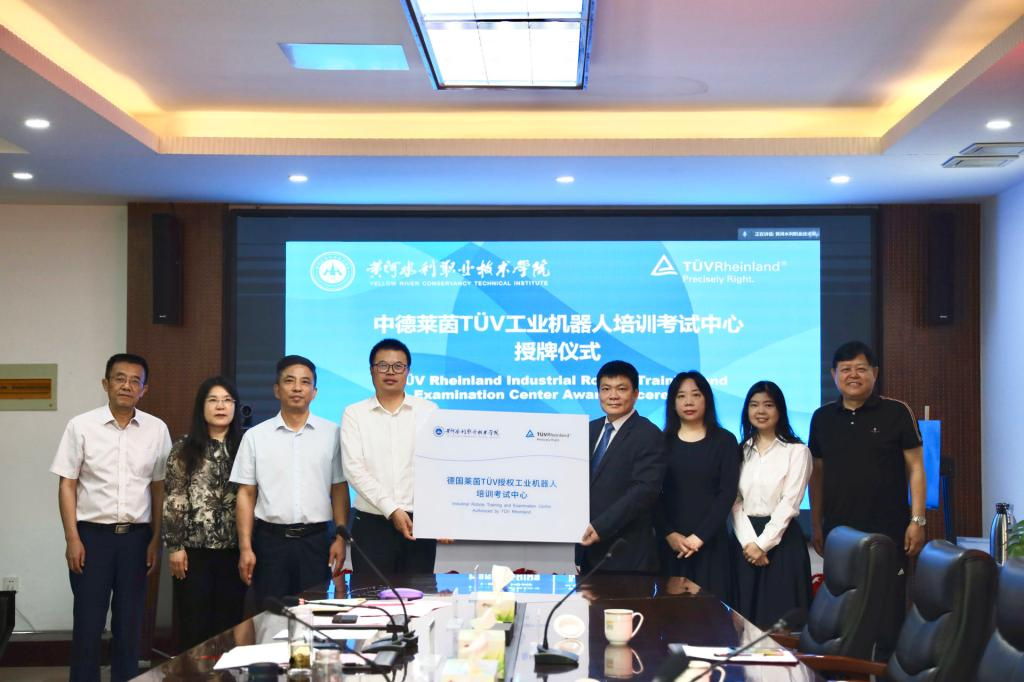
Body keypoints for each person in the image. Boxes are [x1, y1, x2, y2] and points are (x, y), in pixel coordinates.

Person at [49, 353, 172, 682]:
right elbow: (67, 484)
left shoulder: (157, 429)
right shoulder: (80, 426)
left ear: (144, 389)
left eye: (135, 381)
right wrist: (72, 538)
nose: (127, 386)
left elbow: (159, 488)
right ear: (106, 383)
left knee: (129, 625)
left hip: (137, 539)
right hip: (92, 538)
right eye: (120, 378)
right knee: (88, 623)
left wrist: (156, 540)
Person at [809, 340, 925, 657]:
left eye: (861, 368)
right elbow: (816, 475)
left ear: (875, 372)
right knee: (843, 616)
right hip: (839, 533)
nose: (853, 375)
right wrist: (816, 524)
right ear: (834, 375)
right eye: (845, 369)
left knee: (888, 618)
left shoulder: (897, 412)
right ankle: (848, 672)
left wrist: (917, 520)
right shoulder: (822, 418)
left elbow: (916, 468)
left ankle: (887, 672)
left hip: (889, 532)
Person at [230, 355, 349, 603]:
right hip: (270, 544)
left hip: (316, 542)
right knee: (270, 616)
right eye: (289, 381)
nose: (297, 388)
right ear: (277, 389)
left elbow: (339, 488)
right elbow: (246, 494)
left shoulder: (332, 434)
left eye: (305, 382)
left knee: (314, 615)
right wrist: (245, 547)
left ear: (314, 392)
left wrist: (340, 538)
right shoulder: (256, 436)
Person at [341, 338, 441, 573]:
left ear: (408, 371)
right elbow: (353, 469)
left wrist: (442, 515)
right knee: (371, 594)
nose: (390, 372)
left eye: (398, 366)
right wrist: (392, 509)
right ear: (371, 370)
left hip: (419, 524)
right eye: (382, 365)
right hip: (371, 525)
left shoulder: (429, 411)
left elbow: (438, 467)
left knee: (419, 593)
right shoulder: (354, 414)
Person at [162, 376, 247, 650]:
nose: (220, 406)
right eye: (213, 400)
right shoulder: (184, 448)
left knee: (229, 625)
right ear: (202, 407)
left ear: (235, 407)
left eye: (227, 400)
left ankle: (226, 672)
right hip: (193, 552)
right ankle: (193, 672)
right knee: (194, 625)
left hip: (235, 551)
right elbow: (175, 497)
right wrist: (175, 547)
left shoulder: (246, 446)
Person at [731, 380, 812, 628]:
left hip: (782, 543)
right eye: (754, 405)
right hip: (744, 544)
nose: (761, 411)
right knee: (743, 622)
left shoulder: (797, 451)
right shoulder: (740, 451)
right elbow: (735, 502)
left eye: (768, 405)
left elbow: (790, 503)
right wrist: (749, 543)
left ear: (780, 410)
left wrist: (762, 545)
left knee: (781, 627)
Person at [656, 370, 740, 603]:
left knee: (712, 615)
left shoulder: (725, 441)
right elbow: (652, 494)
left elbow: (727, 492)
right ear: (673, 403)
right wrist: (669, 534)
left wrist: (699, 537)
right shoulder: (661, 442)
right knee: (669, 615)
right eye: (681, 396)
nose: (689, 402)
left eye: (696, 395)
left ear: (707, 399)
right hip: (670, 545)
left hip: (711, 544)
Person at [579, 360, 666, 573]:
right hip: (585, 549)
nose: (613, 396)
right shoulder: (587, 430)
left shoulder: (648, 434)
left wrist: (601, 526)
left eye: (621, 389)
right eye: (606, 389)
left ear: (635, 394)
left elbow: (644, 490)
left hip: (626, 553)